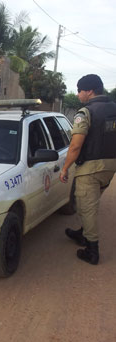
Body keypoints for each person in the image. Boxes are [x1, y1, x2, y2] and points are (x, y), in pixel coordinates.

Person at [59, 74, 116, 265]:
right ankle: (81, 233)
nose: (77, 95)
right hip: (110, 166)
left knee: (86, 207)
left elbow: (75, 146)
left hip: (91, 167)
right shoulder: (113, 108)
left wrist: (65, 168)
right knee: (90, 203)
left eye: (79, 90)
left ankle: (92, 249)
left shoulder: (85, 112)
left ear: (89, 91)